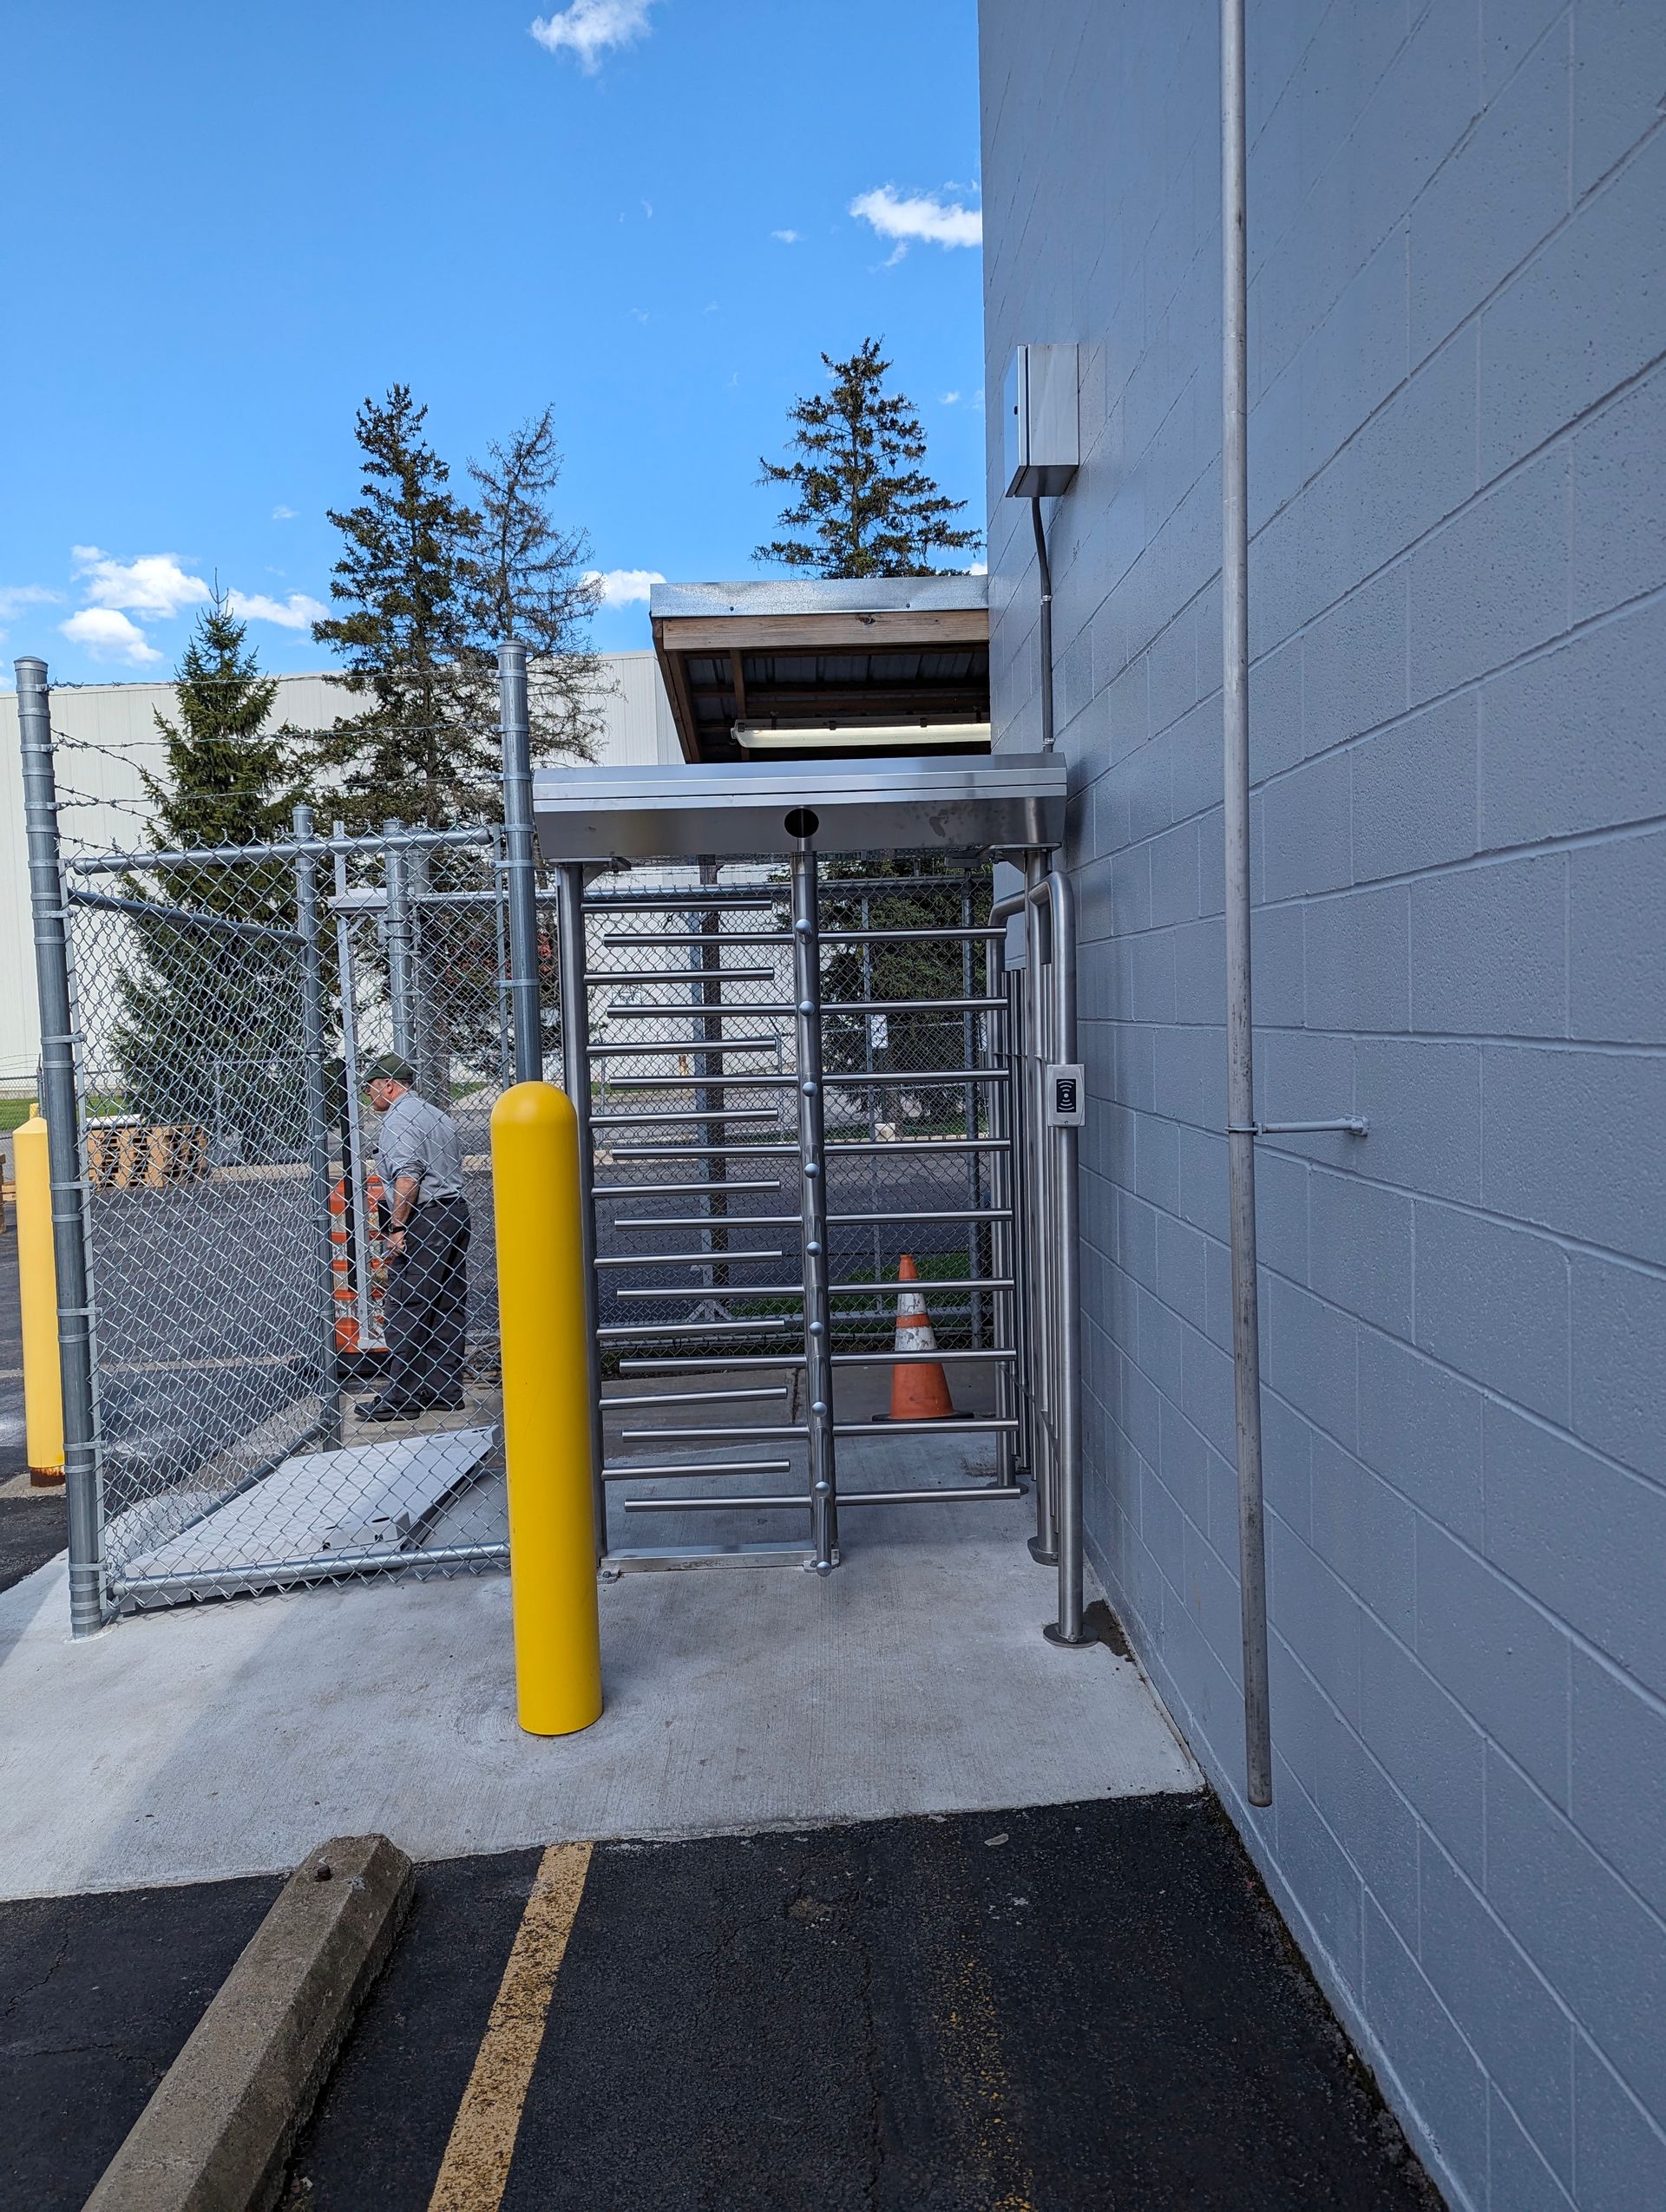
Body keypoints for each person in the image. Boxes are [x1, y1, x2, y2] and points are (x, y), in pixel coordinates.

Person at [356, 1054, 471, 1421]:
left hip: (425, 1217)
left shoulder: (397, 1120)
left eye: (370, 1087)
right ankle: (444, 1389)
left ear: (388, 1085)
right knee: (446, 1303)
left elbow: (408, 1177)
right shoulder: (436, 1115)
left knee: (405, 1304)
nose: (368, 1096)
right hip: (454, 1212)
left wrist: (397, 1227)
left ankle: (402, 1395)